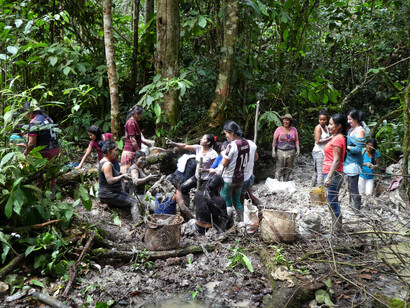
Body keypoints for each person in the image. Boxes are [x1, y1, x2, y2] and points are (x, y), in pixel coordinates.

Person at [98, 140, 140, 222]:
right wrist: (122, 176)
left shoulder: (104, 161)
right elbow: (110, 180)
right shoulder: (107, 164)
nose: (116, 152)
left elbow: (110, 175)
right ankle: (137, 223)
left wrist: (120, 174)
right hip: (109, 195)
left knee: (135, 199)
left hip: (113, 193)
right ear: (109, 151)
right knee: (134, 203)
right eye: (115, 150)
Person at [216, 121, 250, 222]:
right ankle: (241, 222)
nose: (226, 136)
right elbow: (246, 159)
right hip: (240, 178)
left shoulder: (232, 145)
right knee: (237, 202)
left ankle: (227, 223)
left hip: (229, 178)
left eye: (226, 133)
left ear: (231, 132)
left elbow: (224, 163)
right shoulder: (246, 143)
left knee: (226, 202)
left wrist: (223, 154)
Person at [323, 114, 347, 228]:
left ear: (338, 126)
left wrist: (328, 177)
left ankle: (337, 228)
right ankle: (336, 226)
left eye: (331, 124)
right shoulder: (337, 137)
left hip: (334, 174)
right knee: (332, 201)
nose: (328, 126)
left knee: (332, 202)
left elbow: (337, 160)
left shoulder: (338, 139)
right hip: (332, 173)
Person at [120, 105, 152, 181]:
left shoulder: (134, 122)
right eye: (141, 114)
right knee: (128, 175)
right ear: (136, 113)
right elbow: (132, 139)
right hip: (130, 151)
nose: (141, 116)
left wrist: (145, 142)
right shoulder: (131, 123)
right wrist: (139, 152)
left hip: (132, 151)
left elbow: (136, 138)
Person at [344, 110, 366, 213]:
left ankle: (357, 209)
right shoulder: (351, 130)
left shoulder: (360, 131)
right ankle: (351, 205)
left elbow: (358, 149)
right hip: (348, 160)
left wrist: (346, 147)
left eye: (350, 119)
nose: (348, 121)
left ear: (356, 119)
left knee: (354, 185)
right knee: (350, 184)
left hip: (354, 161)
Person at [272, 114, 300, 181]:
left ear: (290, 121)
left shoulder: (294, 129)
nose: (285, 121)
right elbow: (274, 140)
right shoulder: (279, 129)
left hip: (291, 151)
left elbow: (296, 140)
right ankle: (277, 182)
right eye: (284, 120)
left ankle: (285, 182)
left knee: (288, 168)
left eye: (287, 120)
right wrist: (273, 150)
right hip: (280, 151)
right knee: (279, 167)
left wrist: (298, 149)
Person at [312, 110, 332, 186]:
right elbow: (317, 141)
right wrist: (330, 138)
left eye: (324, 119)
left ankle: (312, 187)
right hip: (318, 152)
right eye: (320, 120)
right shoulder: (318, 128)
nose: (322, 121)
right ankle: (319, 188)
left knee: (318, 171)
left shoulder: (327, 128)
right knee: (320, 172)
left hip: (324, 152)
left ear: (327, 120)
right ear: (318, 120)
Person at [240, 139, 259, 206]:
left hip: (243, 177)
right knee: (247, 192)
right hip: (250, 175)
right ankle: (254, 201)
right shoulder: (251, 144)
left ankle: (241, 211)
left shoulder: (234, 146)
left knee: (241, 196)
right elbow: (256, 157)